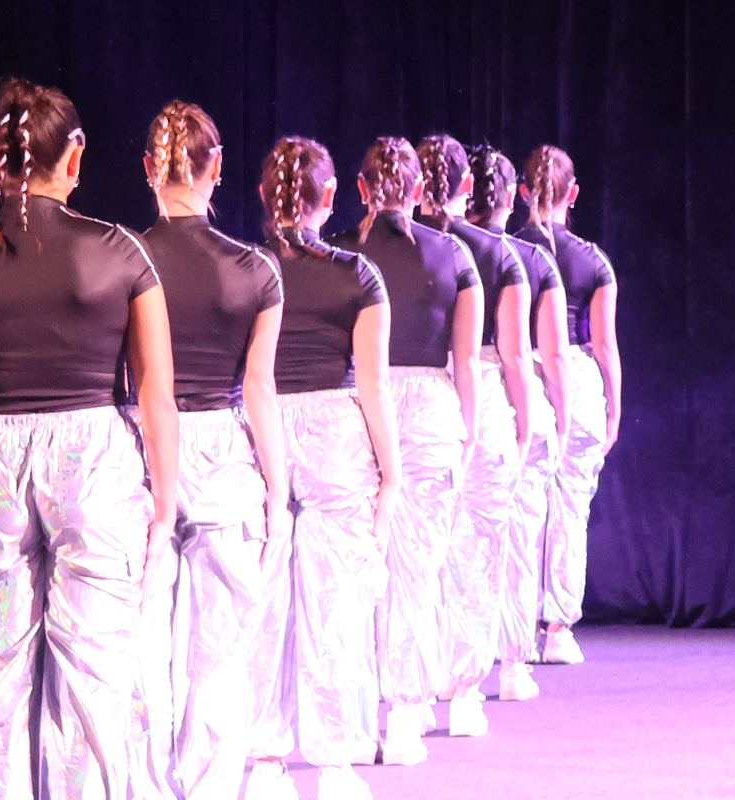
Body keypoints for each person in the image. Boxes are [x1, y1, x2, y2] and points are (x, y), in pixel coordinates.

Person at [0, 76, 177, 798]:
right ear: (76, 156)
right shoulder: (120, 251)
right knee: (94, 676)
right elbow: (156, 395)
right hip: (93, 465)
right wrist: (163, 509)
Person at [132, 101, 292, 800]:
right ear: (216, 167)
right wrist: (279, 494)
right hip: (224, 455)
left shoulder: (122, 257)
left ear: (149, 167)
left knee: (142, 644)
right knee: (219, 652)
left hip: (142, 451)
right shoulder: (254, 270)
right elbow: (260, 391)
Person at [327, 136, 482, 763]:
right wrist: (469, 434)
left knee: (358, 569)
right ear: (419, 192)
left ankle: (357, 718)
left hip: (359, 408)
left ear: (362, 190)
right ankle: (404, 717)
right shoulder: (455, 255)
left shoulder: (341, 254)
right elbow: (466, 361)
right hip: (430, 415)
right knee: (416, 570)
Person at [260, 136, 399, 800]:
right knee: (336, 606)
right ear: (332, 196)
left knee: (263, 603)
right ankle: (336, 768)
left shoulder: (248, 267)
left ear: (265, 196)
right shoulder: (358, 275)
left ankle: (265, 764)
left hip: (259, 432)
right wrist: (392, 474)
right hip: (334, 439)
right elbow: (373, 384)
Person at [414, 135, 529, 735]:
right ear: (467, 187)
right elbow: (514, 355)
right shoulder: (497, 253)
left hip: (416, 398)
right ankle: (464, 693)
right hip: (478, 392)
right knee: (478, 550)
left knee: (420, 551)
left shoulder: (398, 248)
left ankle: (416, 686)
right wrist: (527, 426)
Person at [470, 145, 573, 698]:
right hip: (512, 396)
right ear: (512, 197)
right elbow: (551, 354)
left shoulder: (439, 246)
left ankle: (449, 669)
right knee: (517, 535)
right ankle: (512, 665)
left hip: (453, 392)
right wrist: (561, 418)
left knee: (458, 541)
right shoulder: (531, 259)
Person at [515, 145, 617, 664]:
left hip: (523, 374)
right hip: (576, 375)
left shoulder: (508, 252)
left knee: (522, 507)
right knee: (571, 507)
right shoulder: (593, 260)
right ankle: (557, 629)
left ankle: (514, 630)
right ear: (573, 193)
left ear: (523, 192)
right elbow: (604, 345)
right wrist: (614, 408)